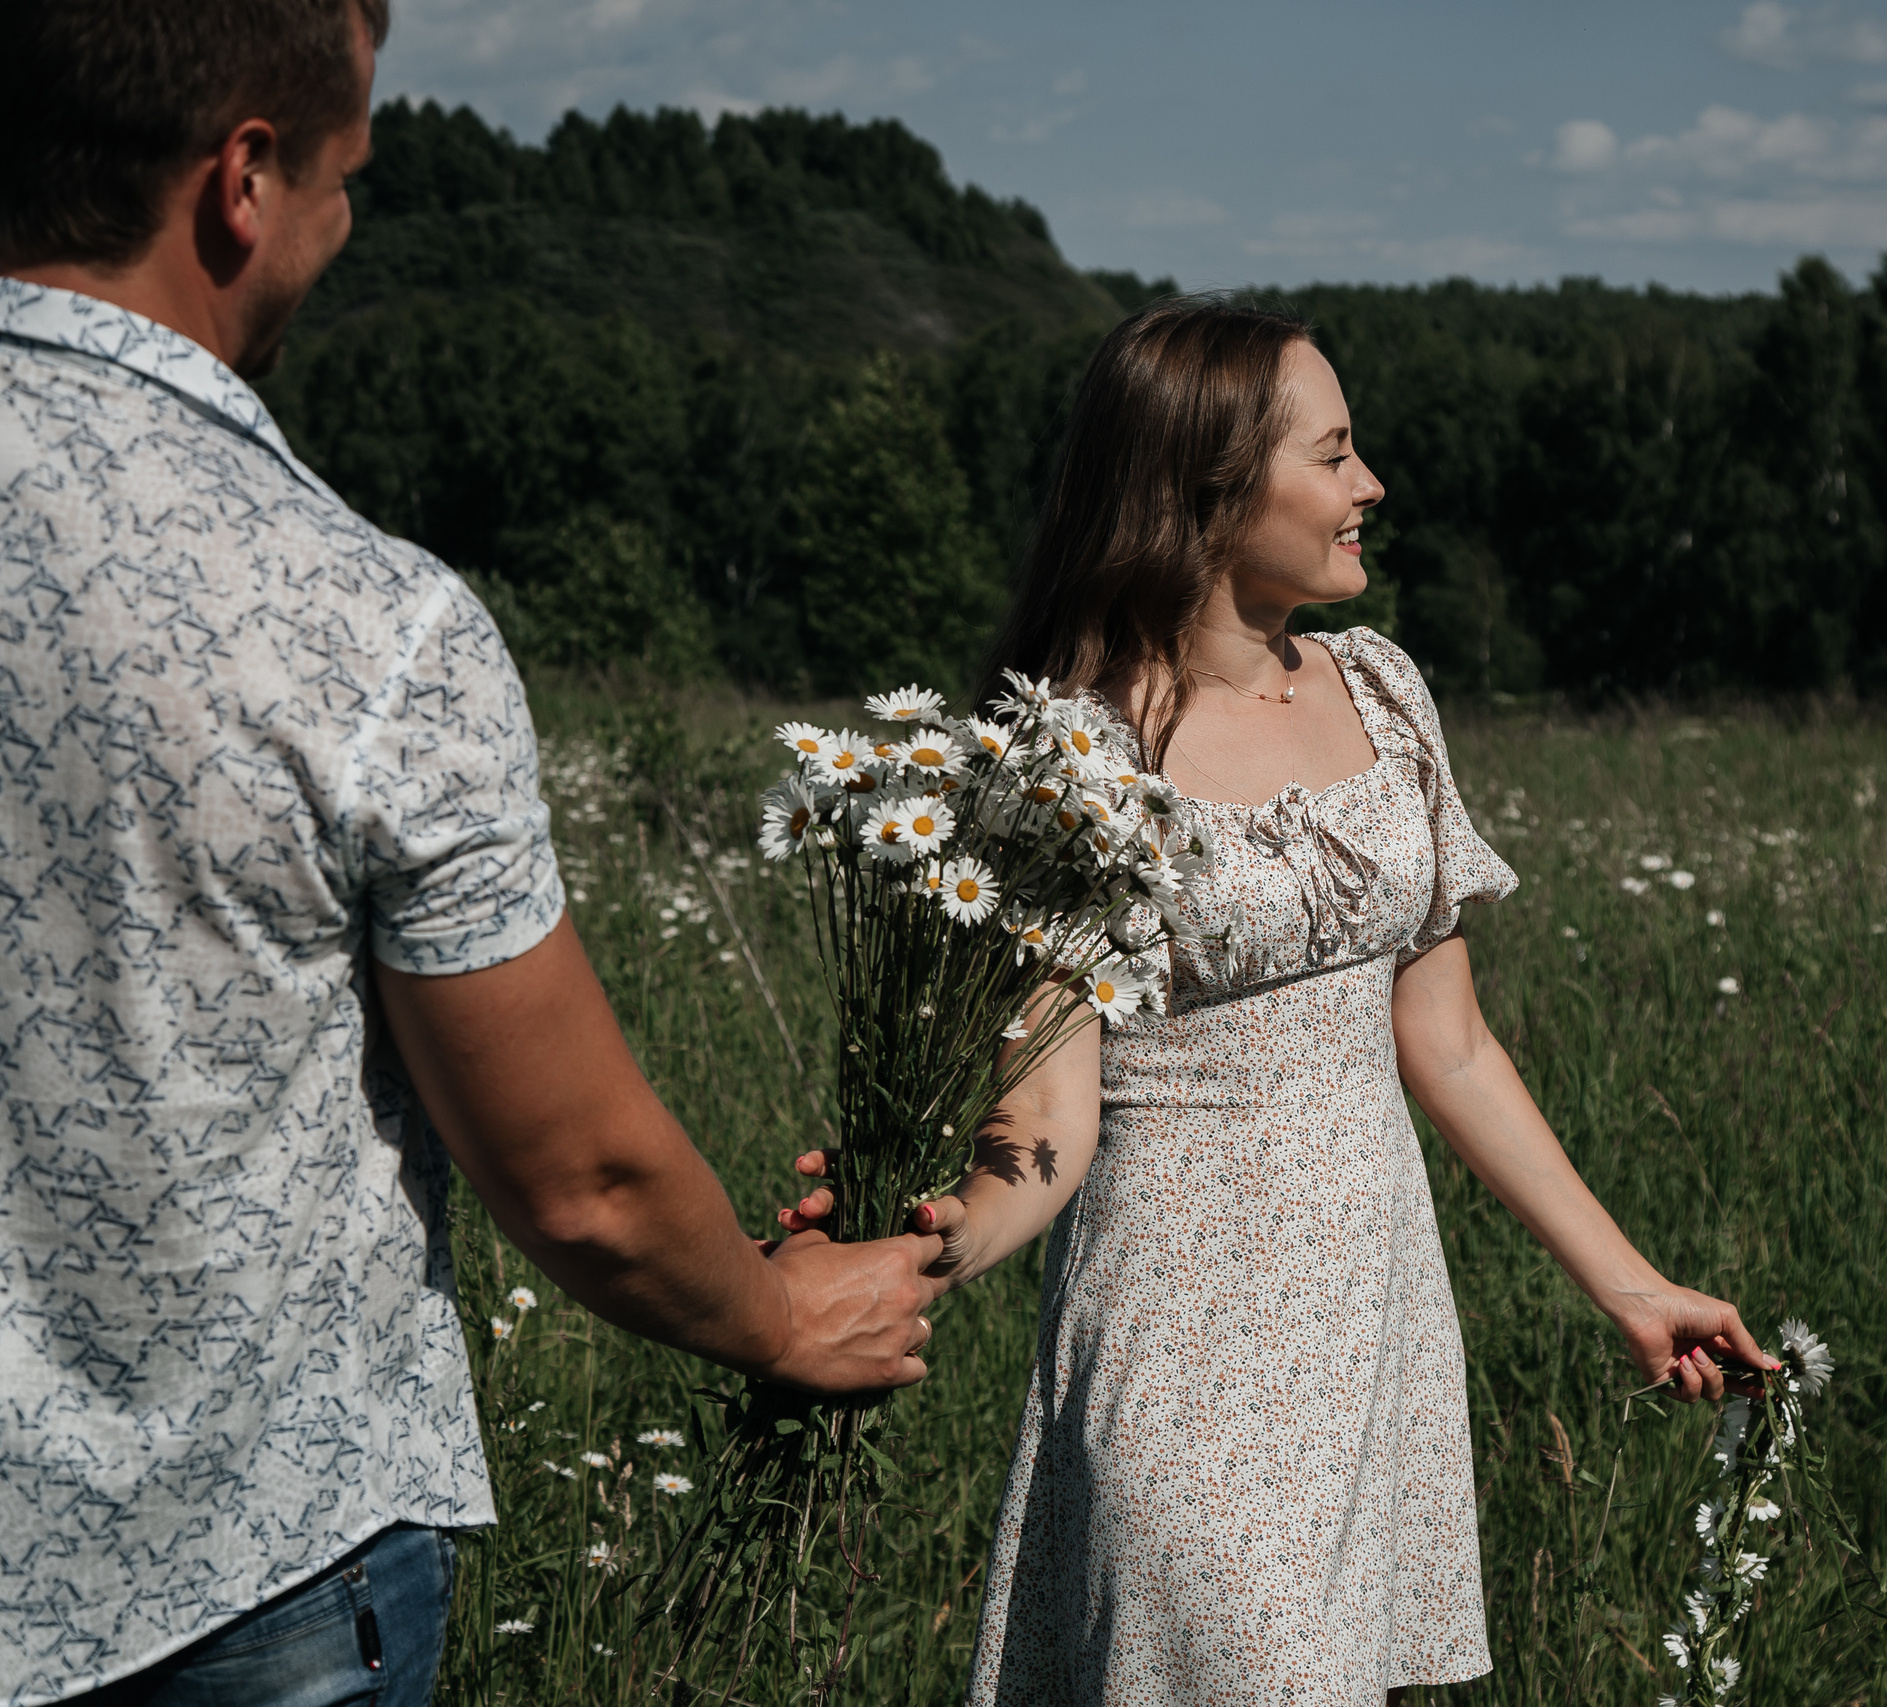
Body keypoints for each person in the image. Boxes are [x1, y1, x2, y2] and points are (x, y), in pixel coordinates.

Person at [0, 5, 948, 1704]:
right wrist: (782, 1316)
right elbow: (579, 1183)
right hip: (233, 1580)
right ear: (244, 182)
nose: (348, 228)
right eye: (347, 180)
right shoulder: (361, 627)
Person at [778, 299, 1780, 1703]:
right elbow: (1048, 1109)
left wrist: (1630, 1287)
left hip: (1370, 1324)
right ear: (1207, 491)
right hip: (1183, 1343)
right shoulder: (1075, 757)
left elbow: (1451, 1042)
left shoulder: (1384, 693)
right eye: (1336, 454)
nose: (1370, 486)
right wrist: (937, 1244)